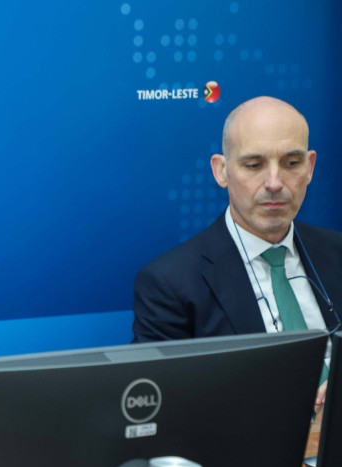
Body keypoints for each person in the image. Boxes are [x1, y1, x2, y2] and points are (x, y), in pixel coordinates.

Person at [132, 96, 342, 406]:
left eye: (292, 163)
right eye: (254, 165)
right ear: (221, 171)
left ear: (310, 167)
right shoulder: (170, 284)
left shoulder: (336, 252)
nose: (274, 183)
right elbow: (157, 404)